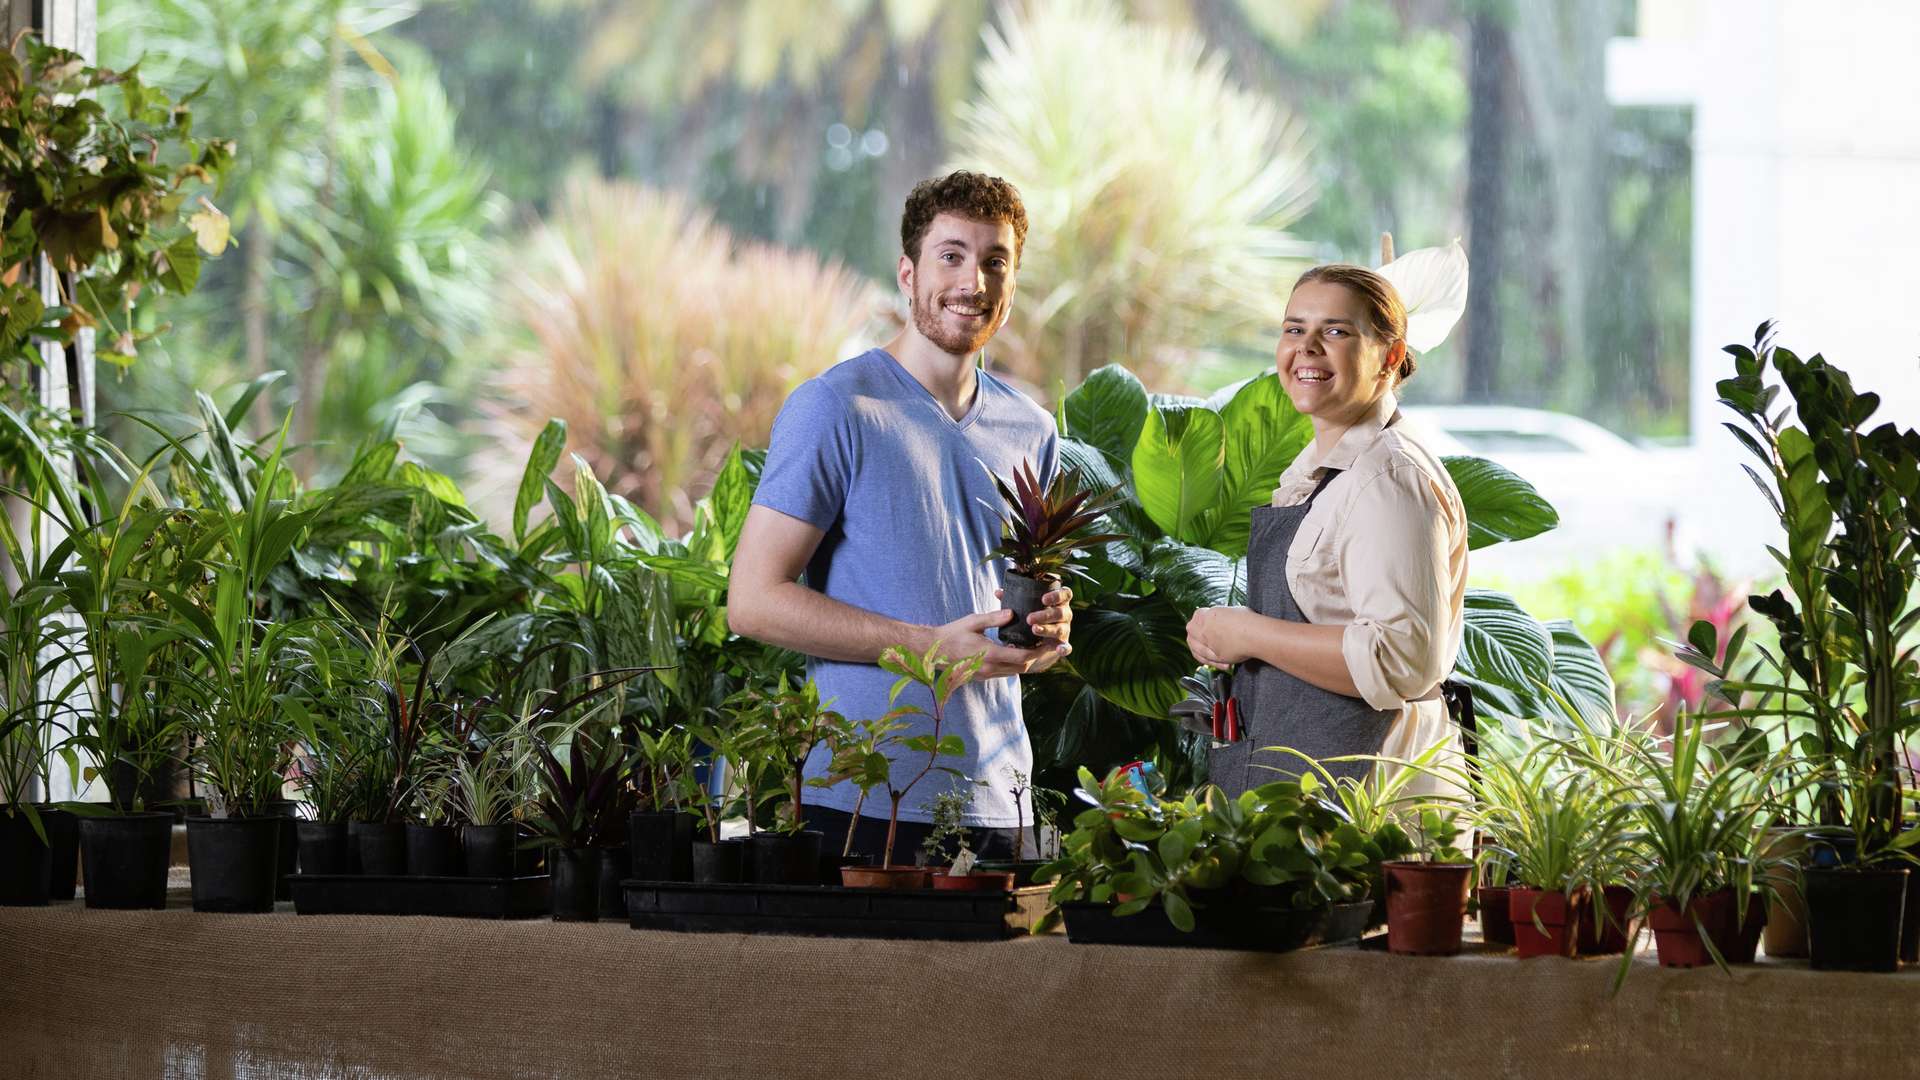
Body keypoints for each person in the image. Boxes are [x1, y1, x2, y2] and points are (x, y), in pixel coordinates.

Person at [729, 170, 1071, 865]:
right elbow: (753, 603)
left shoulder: (1030, 429)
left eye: (994, 261)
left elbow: (1011, 592)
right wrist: (929, 647)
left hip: (1000, 794)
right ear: (908, 273)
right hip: (866, 796)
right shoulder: (837, 408)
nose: (973, 280)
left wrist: (1052, 621)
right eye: (951, 255)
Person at [1185, 263, 1468, 796]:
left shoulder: (1389, 478)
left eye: (1336, 331)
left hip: (1376, 797)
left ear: (1388, 356)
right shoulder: (1325, 468)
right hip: (1314, 785)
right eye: (1295, 329)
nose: (1307, 347)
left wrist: (1247, 633)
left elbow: (1400, 658)